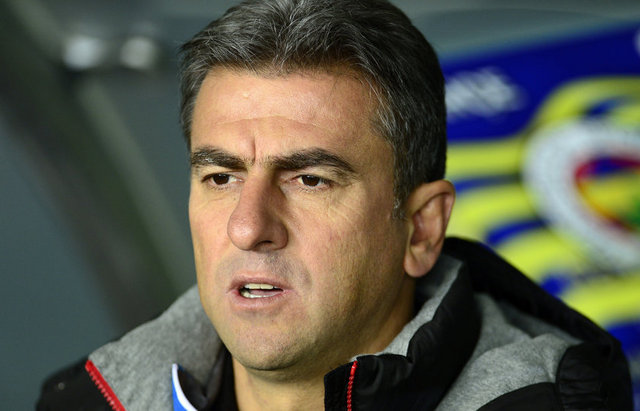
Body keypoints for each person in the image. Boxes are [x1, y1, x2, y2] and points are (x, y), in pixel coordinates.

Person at [38, 0, 632, 409]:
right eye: (221, 176)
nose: (248, 226)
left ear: (421, 229)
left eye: (310, 180)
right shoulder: (87, 400)